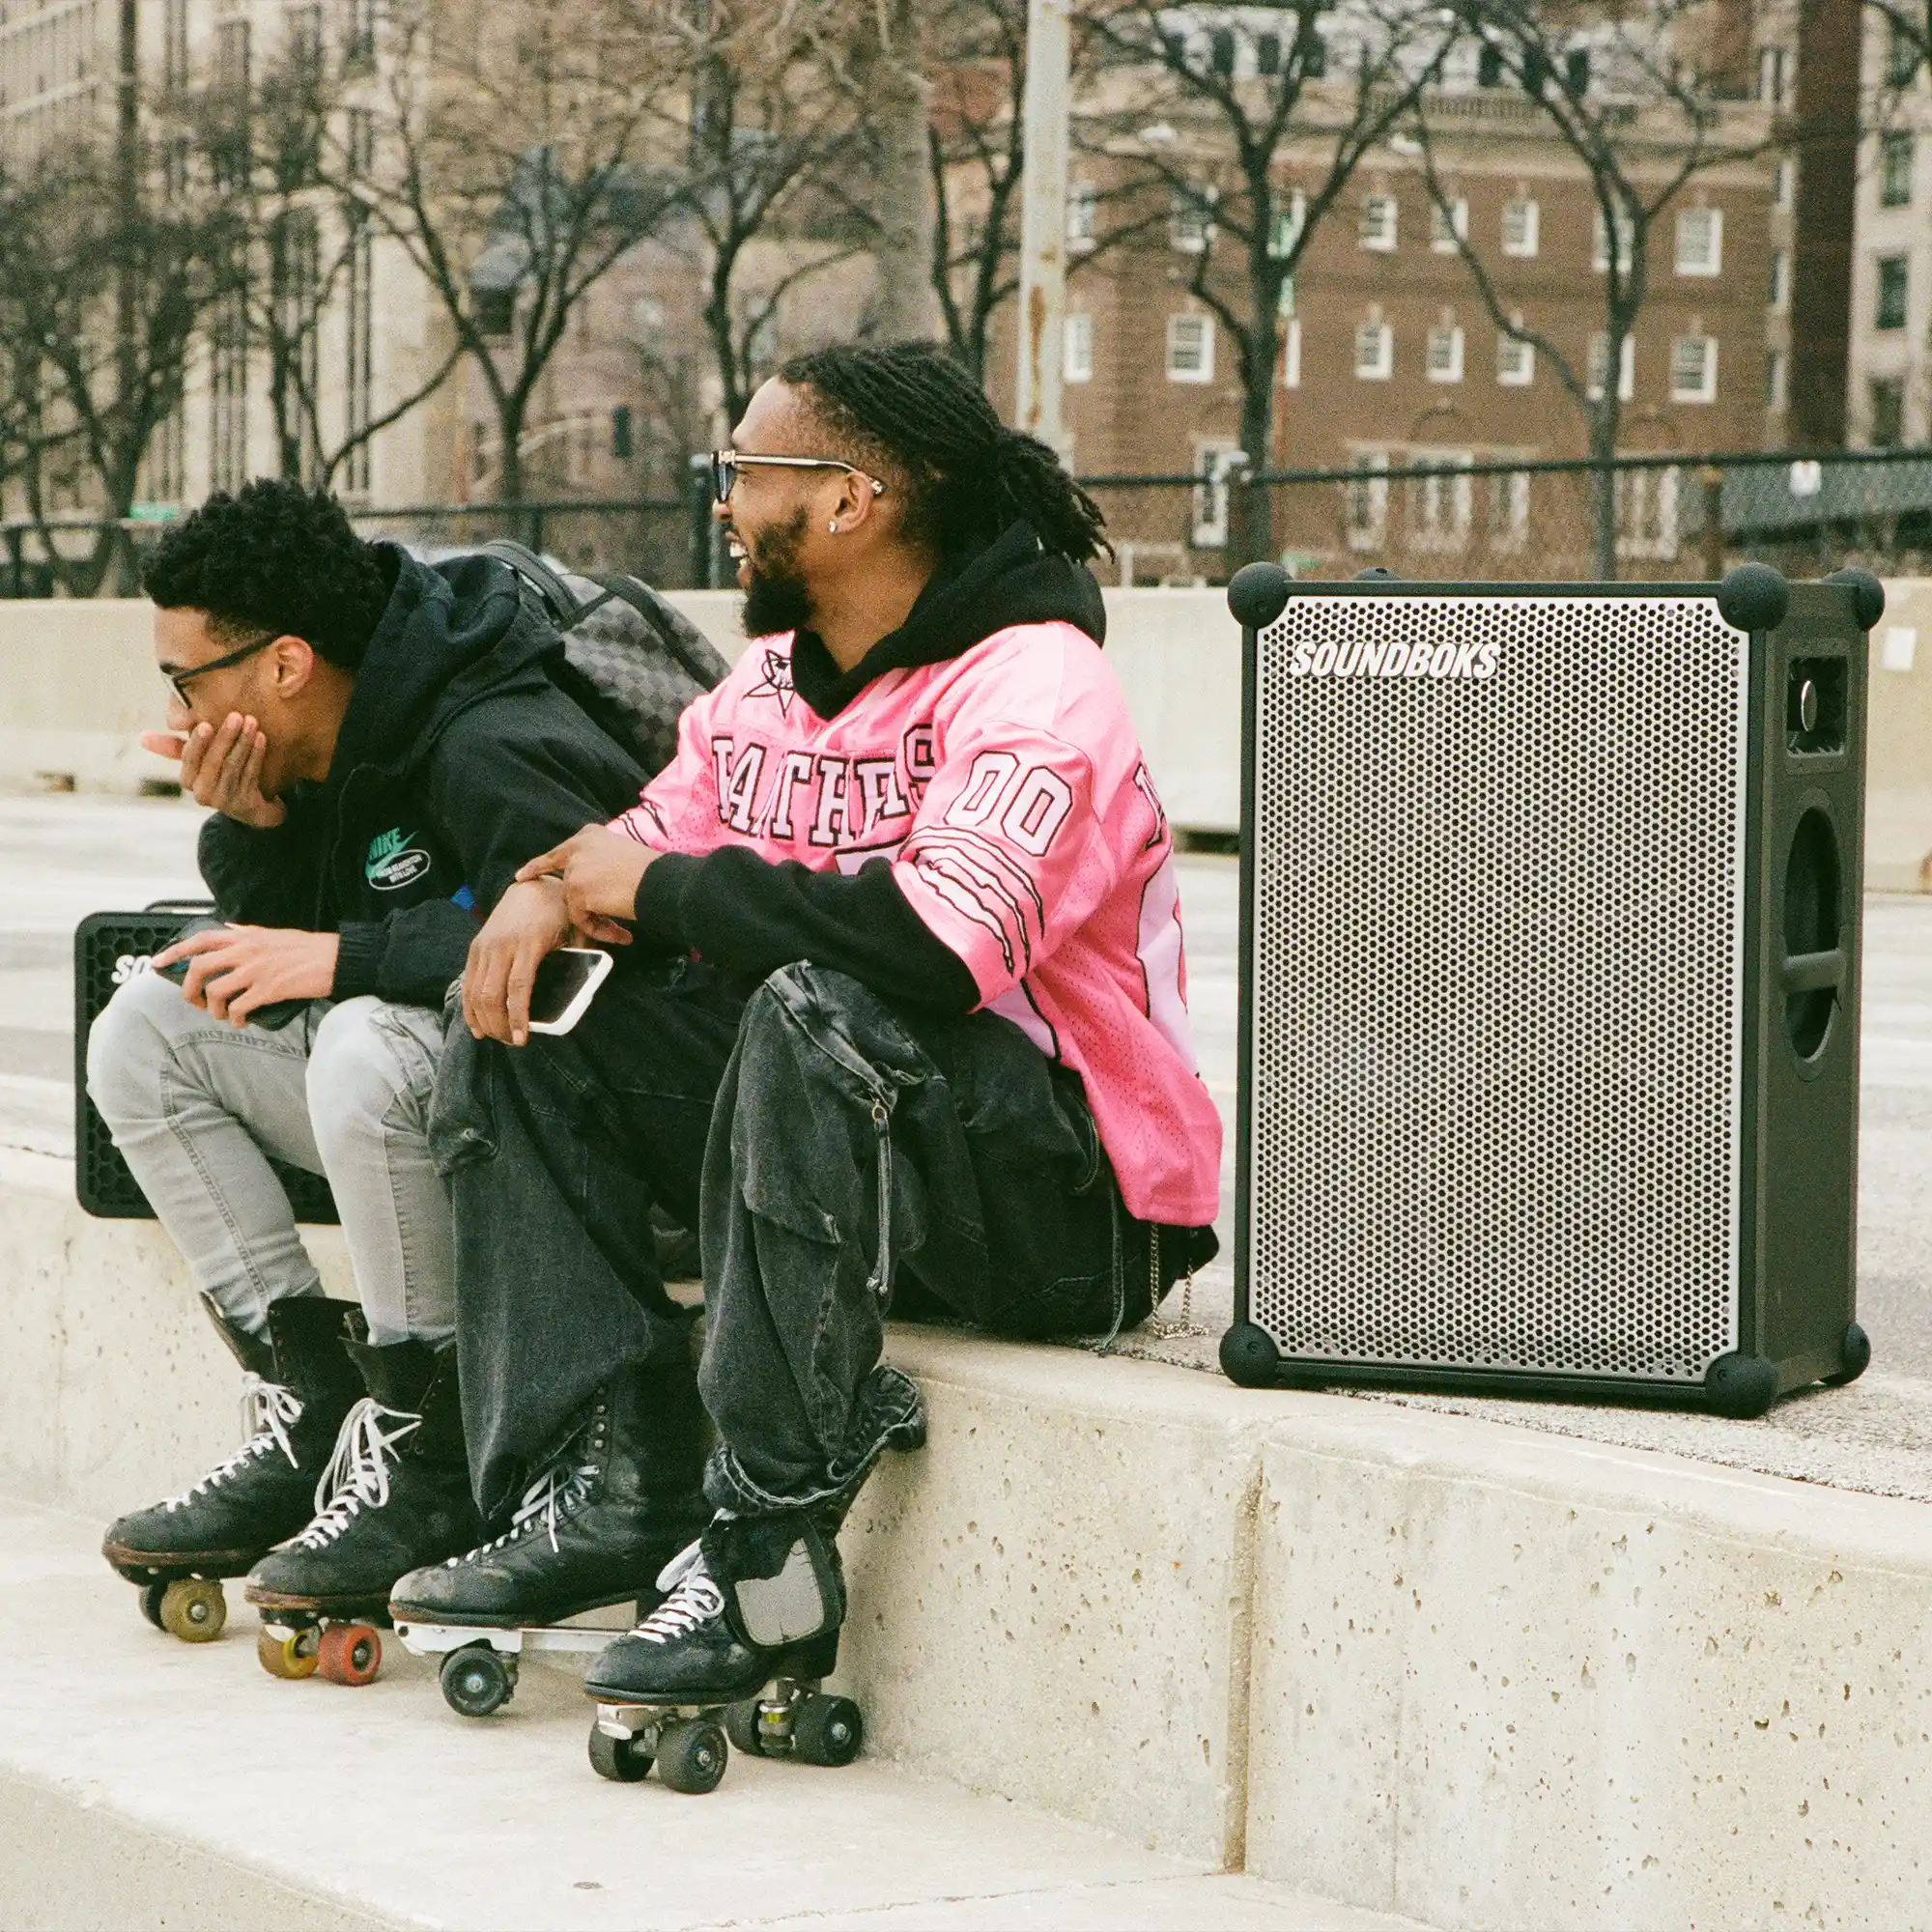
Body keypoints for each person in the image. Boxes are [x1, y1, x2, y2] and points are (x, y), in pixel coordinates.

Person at [389, 341, 1221, 1705]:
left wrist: (660, 888)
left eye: (743, 471)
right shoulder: (772, 679)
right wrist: (548, 890)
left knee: (814, 1003)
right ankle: (609, 1478)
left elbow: (938, 947)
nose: (721, 500)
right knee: (533, 1018)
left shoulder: (1036, 684)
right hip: (860, 1162)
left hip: (1070, 1208)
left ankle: (764, 1542)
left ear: (847, 500)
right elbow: (647, 839)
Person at [89, 479, 649, 1633]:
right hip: (421, 1103)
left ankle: (432, 1444)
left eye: (187, 679)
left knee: (357, 1040)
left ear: (285, 663)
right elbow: (308, 931)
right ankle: (312, 1401)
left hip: (570, 1131)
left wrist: (350, 957)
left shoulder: (489, 731)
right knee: (143, 1031)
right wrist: (257, 829)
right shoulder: (327, 740)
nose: (179, 709)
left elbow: (595, 945)